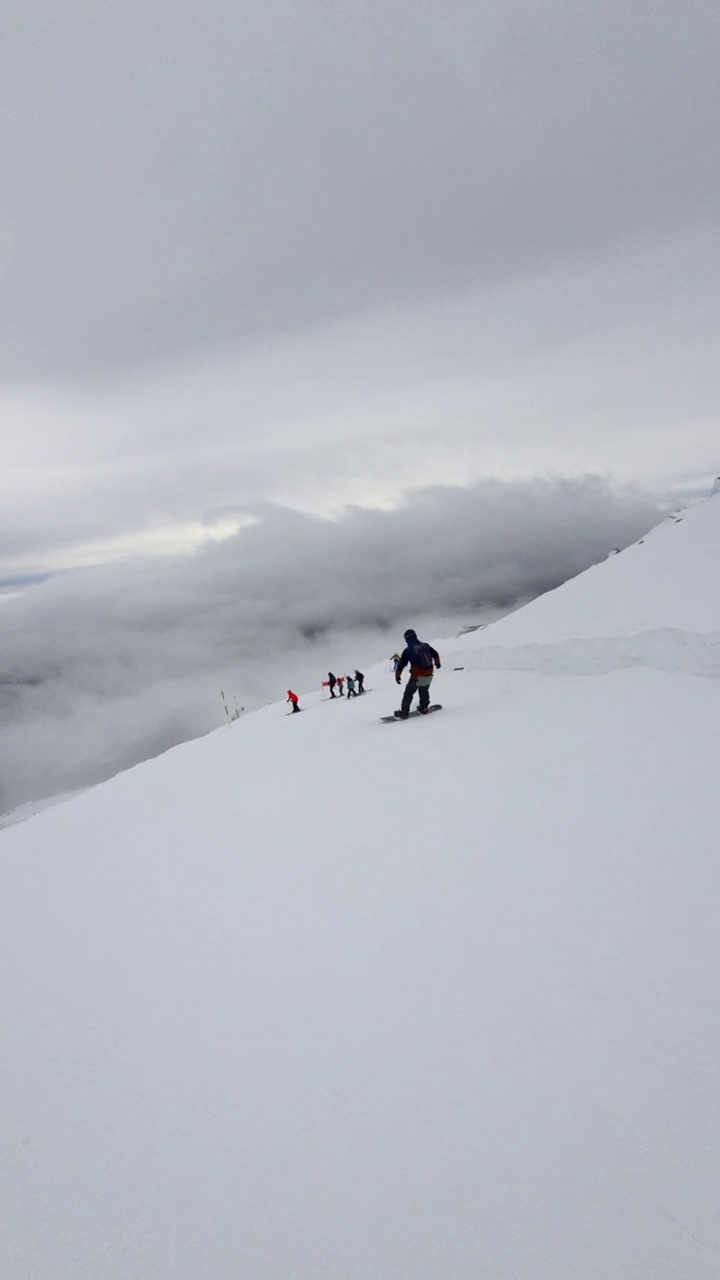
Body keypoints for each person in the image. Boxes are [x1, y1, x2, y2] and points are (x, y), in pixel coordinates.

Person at [394, 629, 441, 718]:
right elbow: (435, 654)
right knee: (424, 690)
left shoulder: (407, 650)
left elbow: (401, 664)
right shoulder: (425, 645)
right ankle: (423, 707)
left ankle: (404, 713)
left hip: (417, 676)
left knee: (408, 694)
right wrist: (437, 663)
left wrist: (397, 676)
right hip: (429, 674)